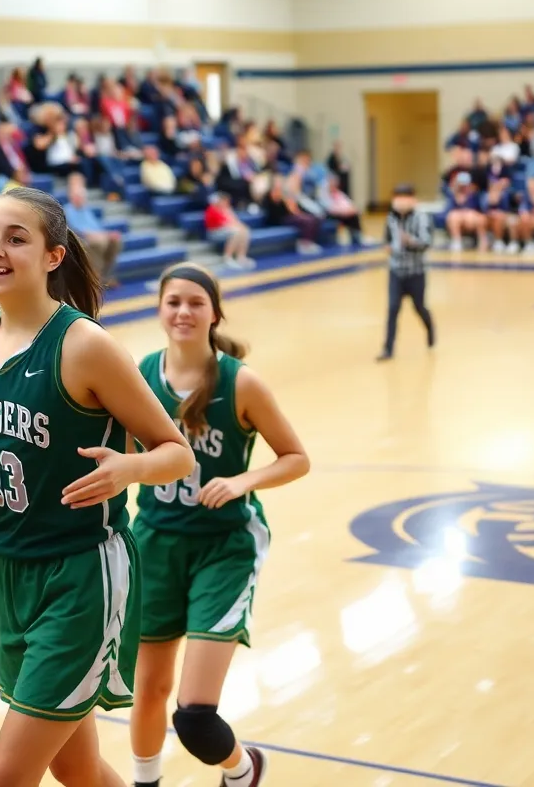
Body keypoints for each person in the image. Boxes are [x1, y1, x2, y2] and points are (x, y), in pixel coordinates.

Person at [0, 186, 195, 787]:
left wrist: (128, 469)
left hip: (82, 572)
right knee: (78, 768)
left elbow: (175, 454)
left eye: (15, 237)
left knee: (5, 777)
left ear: (54, 257)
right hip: (9, 566)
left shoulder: (84, 345)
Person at [127, 263, 310, 787]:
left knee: (194, 717)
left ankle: (243, 768)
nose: (183, 311)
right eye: (173, 302)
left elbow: (296, 457)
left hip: (224, 549)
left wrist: (243, 481)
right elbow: (120, 449)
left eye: (195, 303)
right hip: (155, 540)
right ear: (160, 309)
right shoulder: (139, 374)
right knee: (148, 690)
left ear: (214, 313)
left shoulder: (241, 383)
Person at [377, 183, 435, 362]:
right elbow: (386, 238)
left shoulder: (422, 218)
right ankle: (388, 348)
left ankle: (430, 328)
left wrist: (410, 241)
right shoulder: (391, 218)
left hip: (416, 272)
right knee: (393, 308)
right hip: (396, 272)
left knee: (419, 307)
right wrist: (388, 247)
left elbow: (426, 243)